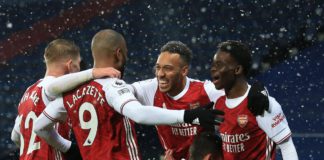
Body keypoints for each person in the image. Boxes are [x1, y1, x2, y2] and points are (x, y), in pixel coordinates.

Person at [33, 29, 224, 160]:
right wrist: (189, 115)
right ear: (118, 54)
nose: (160, 74)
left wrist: (69, 148)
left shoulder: (72, 93)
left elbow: (40, 126)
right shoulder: (113, 87)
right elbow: (139, 114)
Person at [130, 41, 269, 160]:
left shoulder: (205, 91)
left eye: (168, 68)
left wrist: (259, 89)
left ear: (184, 71)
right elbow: (122, 93)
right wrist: (109, 77)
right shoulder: (150, 89)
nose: (160, 74)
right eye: (158, 67)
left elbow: (242, 90)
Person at [10, 39, 121, 160]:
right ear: (70, 65)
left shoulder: (27, 93)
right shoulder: (51, 88)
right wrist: (93, 73)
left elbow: (15, 137)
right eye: (78, 64)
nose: (79, 69)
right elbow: (52, 87)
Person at [211, 40, 298, 159]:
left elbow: (287, 147)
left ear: (237, 70)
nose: (213, 69)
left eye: (219, 65)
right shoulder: (219, 102)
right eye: (213, 64)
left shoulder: (261, 103)